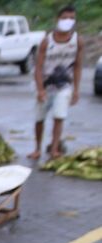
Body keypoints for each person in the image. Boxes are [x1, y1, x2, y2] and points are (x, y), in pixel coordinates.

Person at [30, 5, 83, 161]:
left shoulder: (77, 41)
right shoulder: (47, 41)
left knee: (59, 116)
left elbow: (78, 66)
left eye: (72, 18)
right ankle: (37, 148)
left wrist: (76, 90)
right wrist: (40, 89)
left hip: (64, 85)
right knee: (39, 118)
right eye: (65, 18)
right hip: (46, 84)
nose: (68, 21)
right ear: (57, 20)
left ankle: (54, 149)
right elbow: (38, 68)